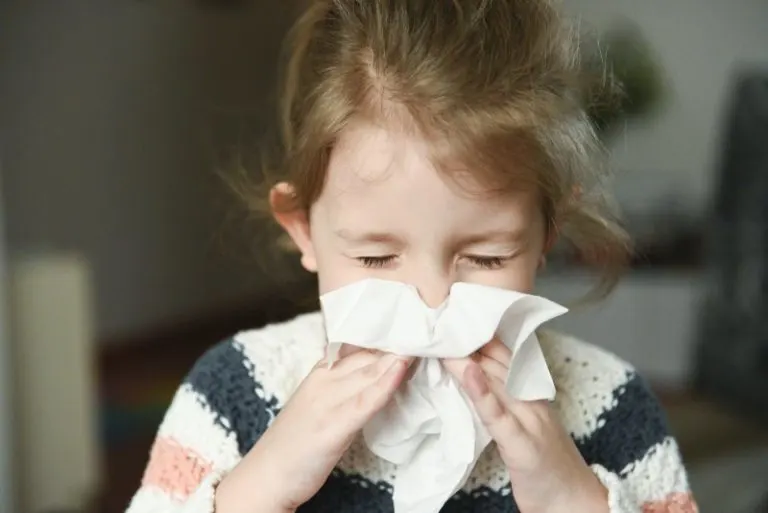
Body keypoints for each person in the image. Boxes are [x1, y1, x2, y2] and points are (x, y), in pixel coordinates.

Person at [126, 1, 698, 512]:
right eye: (377, 259)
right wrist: (261, 486)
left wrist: (572, 498)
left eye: (488, 256)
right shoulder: (237, 392)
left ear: (547, 233)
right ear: (303, 229)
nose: (432, 301)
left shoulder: (606, 403)